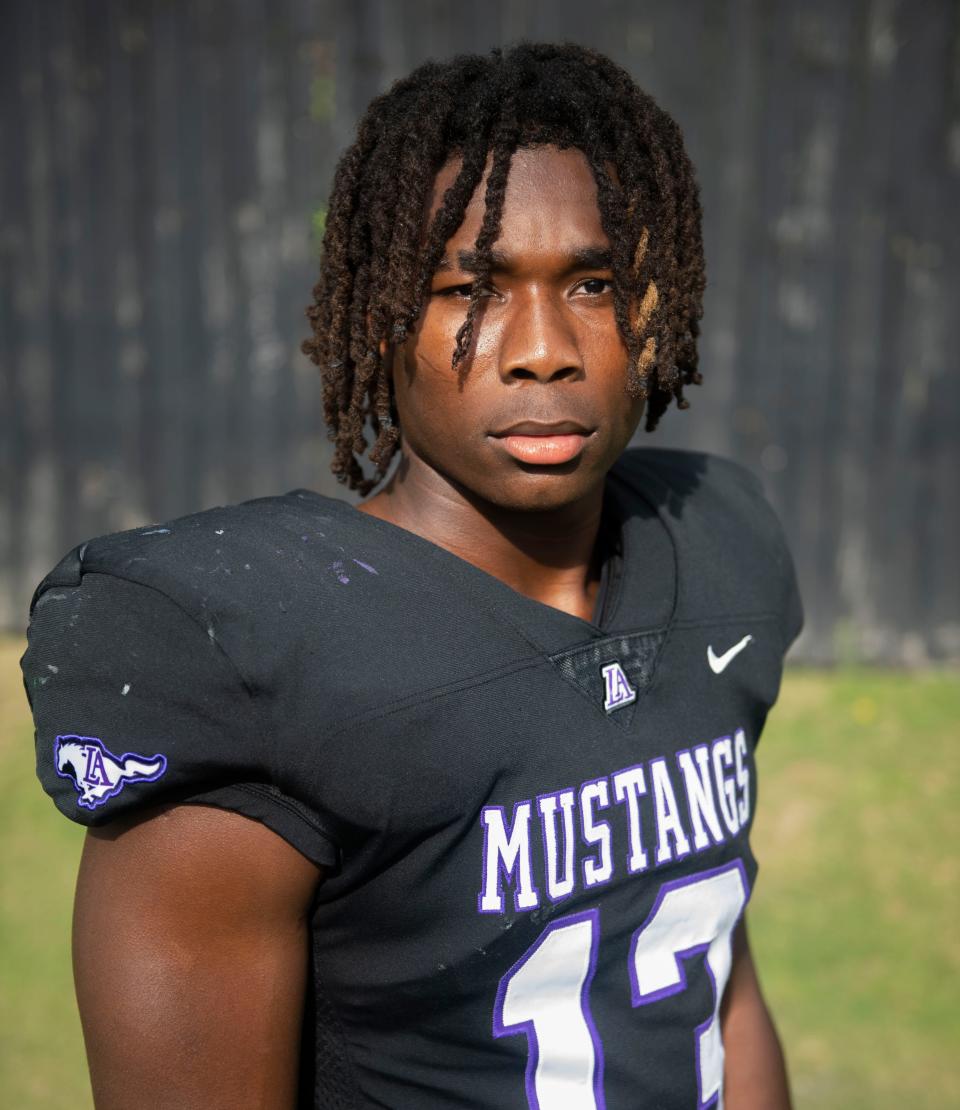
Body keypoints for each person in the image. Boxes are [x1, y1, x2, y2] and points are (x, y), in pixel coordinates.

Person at [22, 42, 801, 1109]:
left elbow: (718, 982)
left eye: (593, 282)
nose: (541, 349)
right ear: (379, 312)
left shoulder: (714, 548)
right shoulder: (251, 653)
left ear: (656, 304)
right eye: (467, 289)